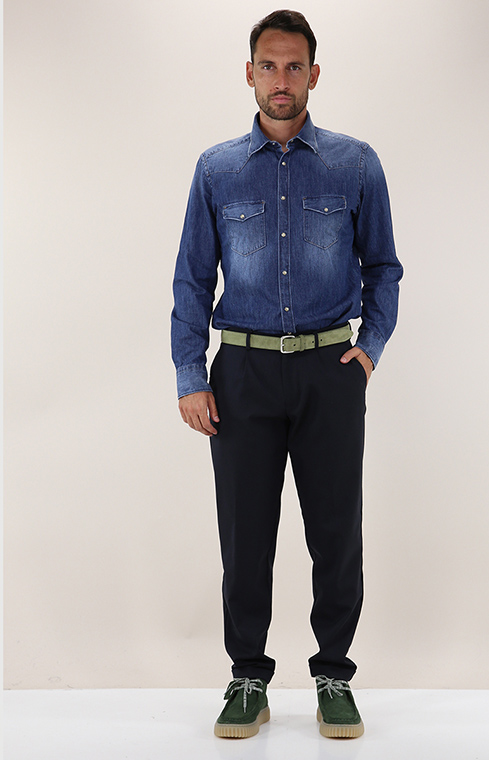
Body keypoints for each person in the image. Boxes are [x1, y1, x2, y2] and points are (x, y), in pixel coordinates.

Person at [171, 9, 403, 740]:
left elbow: (384, 268)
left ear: (314, 74)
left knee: (336, 532)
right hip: (240, 373)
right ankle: (248, 676)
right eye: (268, 66)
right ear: (249, 73)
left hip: (331, 371)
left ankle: (334, 674)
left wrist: (371, 348)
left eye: (294, 66)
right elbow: (190, 280)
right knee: (245, 535)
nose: (281, 80)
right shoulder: (216, 170)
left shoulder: (355, 164)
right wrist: (190, 374)